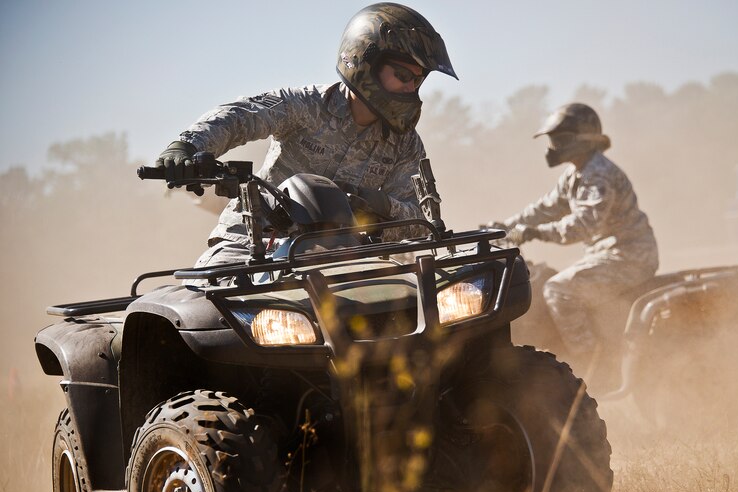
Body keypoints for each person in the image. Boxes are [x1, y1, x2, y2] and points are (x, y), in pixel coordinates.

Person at [156, 3, 457, 268]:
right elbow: (242, 115)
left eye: (417, 80)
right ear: (366, 61)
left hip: (341, 257)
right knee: (209, 309)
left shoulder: (404, 143)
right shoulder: (307, 105)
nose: (411, 89)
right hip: (251, 245)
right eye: (403, 76)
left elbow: (418, 220)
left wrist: (379, 205)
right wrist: (186, 146)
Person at [493, 103, 659, 369]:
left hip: (629, 257)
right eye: (552, 139)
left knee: (559, 290)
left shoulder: (598, 175)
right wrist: (504, 227)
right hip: (606, 255)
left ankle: (594, 366)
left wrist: (532, 233)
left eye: (560, 139)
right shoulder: (576, 174)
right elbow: (545, 208)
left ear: (583, 139)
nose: (553, 145)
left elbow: (582, 226)